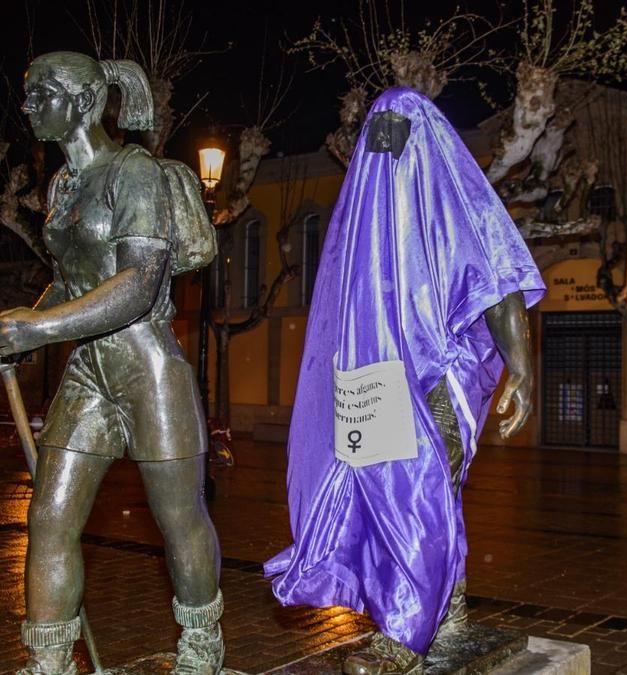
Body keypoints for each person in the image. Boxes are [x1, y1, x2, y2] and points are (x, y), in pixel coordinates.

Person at [264, 87, 545, 675]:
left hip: (436, 378)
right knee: (408, 499)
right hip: (374, 381)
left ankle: (404, 632)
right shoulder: (364, 217)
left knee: (415, 494)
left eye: (398, 124)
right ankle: (447, 614)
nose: (383, 137)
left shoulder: (450, 203)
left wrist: (520, 366)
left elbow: (498, 281)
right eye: (377, 125)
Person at [0, 52, 223, 675]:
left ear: (85, 103)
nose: (29, 107)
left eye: (43, 96)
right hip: (90, 373)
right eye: (28, 95)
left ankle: (200, 646)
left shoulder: (133, 170)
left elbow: (139, 284)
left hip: (148, 368)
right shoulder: (63, 187)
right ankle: (51, 659)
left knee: (180, 518)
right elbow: (74, 285)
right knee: (50, 516)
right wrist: (23, 322)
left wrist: (38, 329)